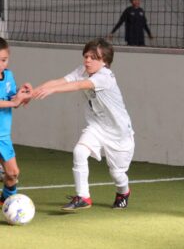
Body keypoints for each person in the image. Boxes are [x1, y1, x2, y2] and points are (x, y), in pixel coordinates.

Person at [34, 38, 135, 211]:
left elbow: (79, 85)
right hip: (97, 126)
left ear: (104, 61)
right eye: (86, 56)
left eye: (93, 57)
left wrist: (53, 91)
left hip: (119, 133)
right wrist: (34, 92)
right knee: (79, 151)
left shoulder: (105, 77)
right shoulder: (83, 70)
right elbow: (61, 81)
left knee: (117, 174)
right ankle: (83, 197)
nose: (87, 60)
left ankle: (123, 192)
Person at [0, 37, 32, 205]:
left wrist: (22, 93)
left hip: (3, 136)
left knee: (12, 174)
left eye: (4, 60)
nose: (1, 64)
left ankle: (6, 201)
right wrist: (13, 102)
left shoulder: (8, 76)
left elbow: (13, 99)